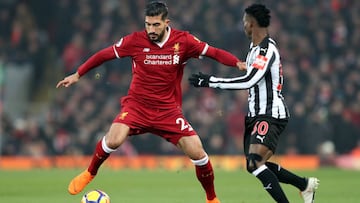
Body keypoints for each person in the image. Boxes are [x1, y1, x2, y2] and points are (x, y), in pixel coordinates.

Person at [56, 2, 244, 203]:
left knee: (198, 153)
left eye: (155, 25)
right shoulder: (135, 40)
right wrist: (78, 74)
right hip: (137, 106)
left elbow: (213, 52)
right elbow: (104, 55)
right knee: (114, 139)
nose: (151, 30)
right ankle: (90, 172)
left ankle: (211, 198)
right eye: (148, 25)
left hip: (168, 111)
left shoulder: (184, 41)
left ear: (166, 23)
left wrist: (237, 63)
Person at [188, 3, 319, 203]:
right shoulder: (254, 49)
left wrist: (210, 81)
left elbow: (249, 80)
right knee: (254, 164)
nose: (243, 26)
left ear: (251, 24)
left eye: (244, 22)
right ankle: (304, 185)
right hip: (255, 114)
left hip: (270, 113)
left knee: (255, 162)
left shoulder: (266, 50)